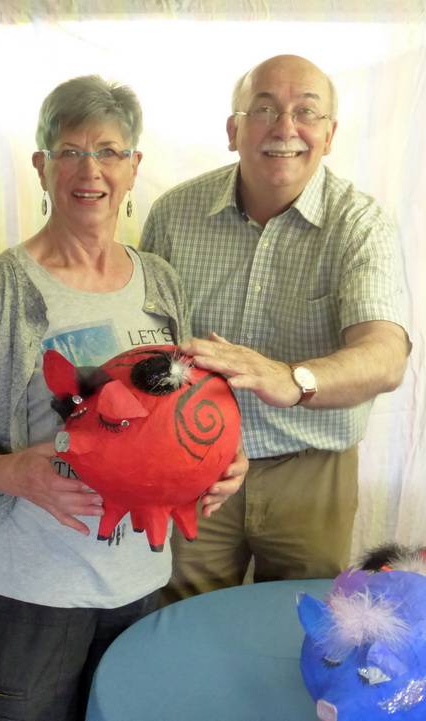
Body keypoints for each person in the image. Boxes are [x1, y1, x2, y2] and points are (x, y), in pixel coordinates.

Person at [0, 75, 246, 721]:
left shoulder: (160, 281)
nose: (89, 169)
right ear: (41, 167)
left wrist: (214, 467)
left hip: (138, 579)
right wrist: (16, 472)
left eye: (109, 151)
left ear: (134, 168)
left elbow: (178, 413)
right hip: (28, 587)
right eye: (69, 150)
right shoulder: (0, 289)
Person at [140, 54, 411, 602]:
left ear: (330, 135)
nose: (286, 128)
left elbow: (385, 355)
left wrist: (293, 379)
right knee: (179, 619)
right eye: (264, 109)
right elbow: (144, 342)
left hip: (313, 472)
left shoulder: (360, 223)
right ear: (233, 129)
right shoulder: (174, 214)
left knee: (300, 629)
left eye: (306, 113)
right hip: (195, 463)